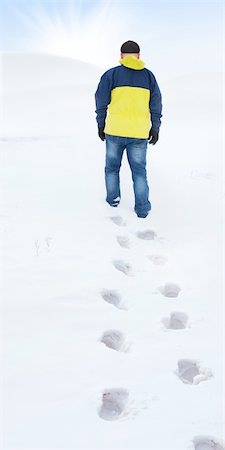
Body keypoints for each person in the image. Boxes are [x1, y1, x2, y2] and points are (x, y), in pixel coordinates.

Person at [95, 40, 162, 218]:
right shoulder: (149, 77)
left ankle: (112, 201)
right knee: (139, 172)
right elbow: (156, 105)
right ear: (139, 56)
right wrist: (155, 128)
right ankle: (142, 209)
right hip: (139, 134)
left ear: (121, 56)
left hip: (115, 131)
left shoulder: (111, 75)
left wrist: (101, 125)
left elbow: (100, 102)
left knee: (111, 168)